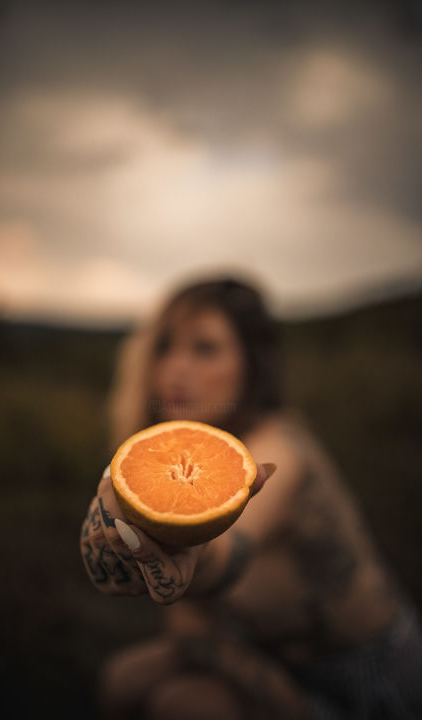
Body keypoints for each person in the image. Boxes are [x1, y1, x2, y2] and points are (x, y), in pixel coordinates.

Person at [80, 275, 422, 719]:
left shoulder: (280, 454)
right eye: (165, 346)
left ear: (251, 364)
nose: (176, 368)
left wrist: (195, 555)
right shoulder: (178, 463)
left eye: (205, 348)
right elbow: (190, 625)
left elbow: (228, 546)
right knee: (121, 679)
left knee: (181, 706)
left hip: (371, 675)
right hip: (270, 655)